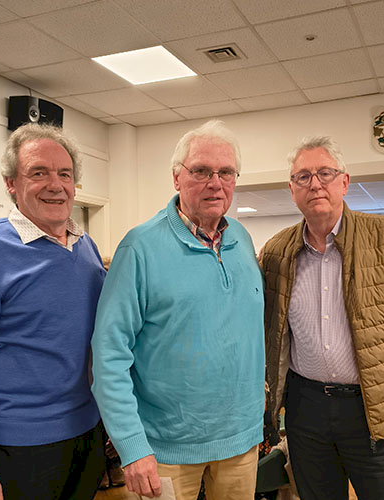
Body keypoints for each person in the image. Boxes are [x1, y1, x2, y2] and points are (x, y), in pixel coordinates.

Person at [260, 136, 384, 500]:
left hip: (377, 413)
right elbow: (269, 336)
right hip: (305, 412)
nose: (315, 184)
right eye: (303, 176)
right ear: (292, 189)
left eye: (325, 173)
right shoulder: (276, 253)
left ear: (344, 182)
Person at [91, 119, 265, 500]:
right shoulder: (139, 249)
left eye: (226, 172)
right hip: (164, 452)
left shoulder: (241, 239)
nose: (215, 182)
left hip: (241, 444)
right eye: (201, 171)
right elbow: (108, 355)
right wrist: (132, 446)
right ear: (176, 178)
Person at [0, 123, 107, 500]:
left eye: (65, 174)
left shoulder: (85, 247)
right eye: (38, 173)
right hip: (15, 451)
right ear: (11, 183)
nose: (56, 185)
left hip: (86, 436)